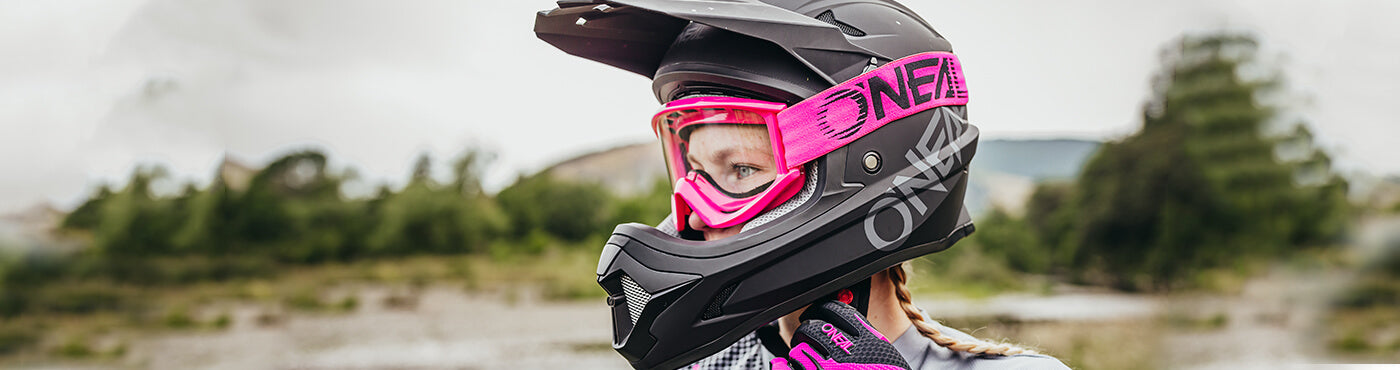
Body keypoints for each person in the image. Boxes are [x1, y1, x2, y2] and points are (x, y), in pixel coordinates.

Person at [535, 1, 1071, 369]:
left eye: (740, 170)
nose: (693, 213)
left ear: (865, 172)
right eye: (695, 171)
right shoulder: (717, 361)